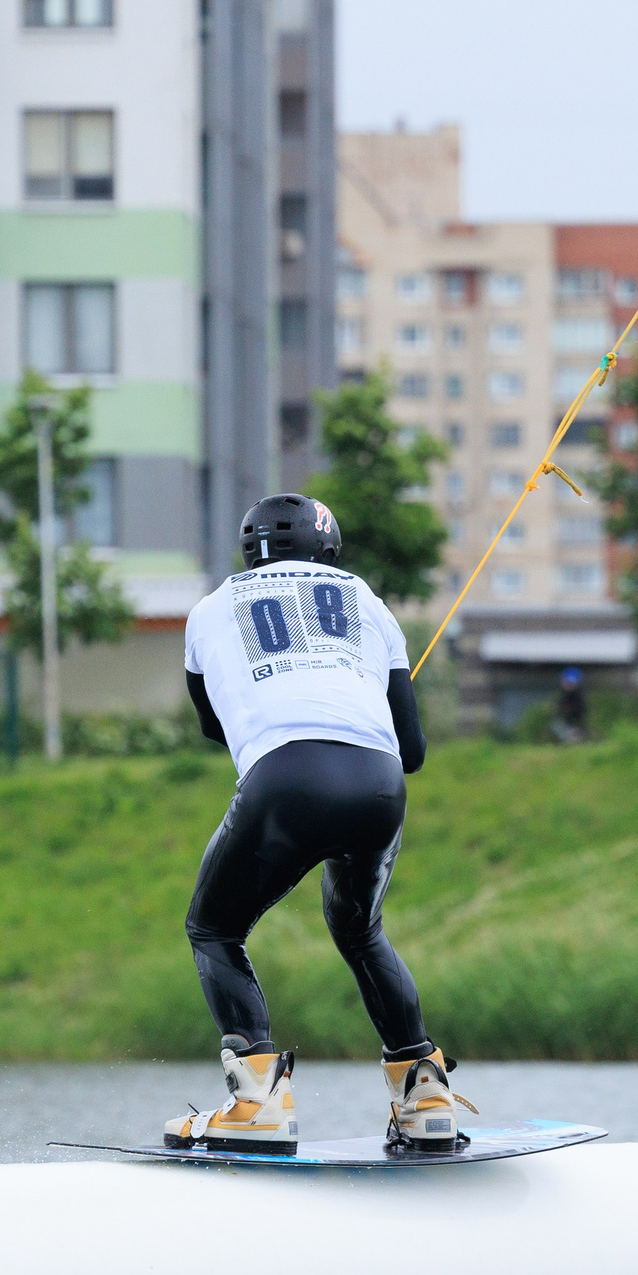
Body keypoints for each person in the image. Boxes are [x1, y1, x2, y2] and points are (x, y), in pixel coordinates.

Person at [168, 492, 469, 1156]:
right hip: (379, 782)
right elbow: (413, 752)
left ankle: (259, 1103)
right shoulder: (368, 600)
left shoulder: (209, 610)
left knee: (214, 927)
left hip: (285, 778)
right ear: (329, 551)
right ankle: (424, 1099)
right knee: (360, 931)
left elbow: (213, 726)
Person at [551, 666, 589, 744]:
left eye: (566, 681)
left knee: (557, 725)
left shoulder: (574, 695)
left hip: (574, 724)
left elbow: (576, 711)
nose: (564, 683)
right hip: (571, 723)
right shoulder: (568, 694)